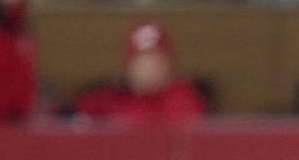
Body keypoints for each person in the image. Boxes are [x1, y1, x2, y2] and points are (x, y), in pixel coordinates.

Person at [74, 21, 209, 124]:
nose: (150, 66)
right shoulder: (107, 99)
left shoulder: (183, 98)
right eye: (142, 59)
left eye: (157, 59)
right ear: (128, 64)